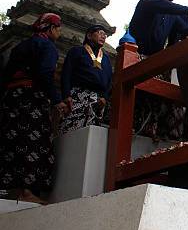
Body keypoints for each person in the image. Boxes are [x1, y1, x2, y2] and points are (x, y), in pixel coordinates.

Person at [127, 0, 188, 141]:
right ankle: (132, 126)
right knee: (137, 96)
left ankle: (152, 129)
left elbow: (185, 29)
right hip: (137, 56)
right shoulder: (148, 1)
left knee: (156, 99)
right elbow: (169, 8)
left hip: (157, 61)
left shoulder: (173, 15)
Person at [0, 13, 69, 204]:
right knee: (34, 142)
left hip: (12, 98)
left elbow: (6, 75)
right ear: (51, 29)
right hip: (32, 98)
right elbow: (45, 75)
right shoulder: (47, 47)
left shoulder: (20, 46)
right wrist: (57, 100)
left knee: (11, 141)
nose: (60, 32)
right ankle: (27, 191)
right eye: (58, 27)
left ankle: (11, 190)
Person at [60, 25, 112, 135]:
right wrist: (66, 95)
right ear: (89, 35)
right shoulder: (77, 51)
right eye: (100, 33)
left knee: (91, 135)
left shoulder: (106, 58)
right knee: (71, 132)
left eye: (105, 35)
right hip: (78, 95)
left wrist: (105, 97)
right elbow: (66, 73)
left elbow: (109, 80)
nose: (103, 36)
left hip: (98, 100)